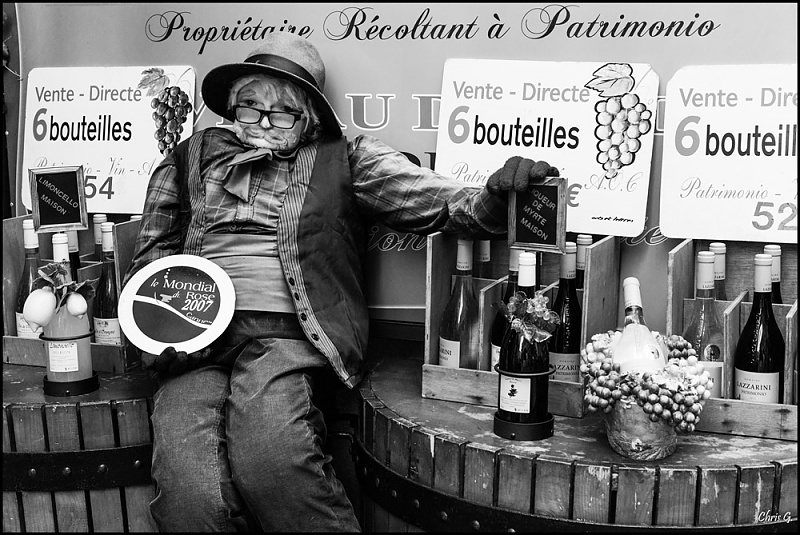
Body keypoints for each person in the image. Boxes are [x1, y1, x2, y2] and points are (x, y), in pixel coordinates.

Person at [123, 31, 559, 532]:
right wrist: (156, 336)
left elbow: (442, 202)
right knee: (188, 482)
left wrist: (502, 196)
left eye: (282, 112)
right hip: (196, 339)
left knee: (273, 457)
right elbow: (151, 256)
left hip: (287, 340)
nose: (262, 122)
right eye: (250, 106)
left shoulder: (347, 158)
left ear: (310, 115)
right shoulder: (188, 157)